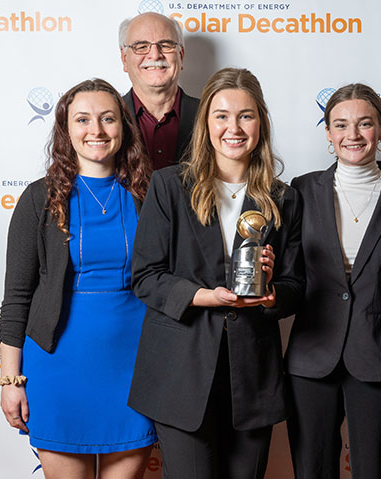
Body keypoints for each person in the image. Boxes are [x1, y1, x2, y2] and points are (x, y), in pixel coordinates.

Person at [127, 67, 304, 478]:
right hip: (181, 374)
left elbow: (297, 285)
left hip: (252, 378)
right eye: (222, 115)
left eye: (246, 115)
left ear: (261, 122)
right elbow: (146, 276)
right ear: (206, 123)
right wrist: (204, 296)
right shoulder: (169, 185)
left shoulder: (283, 198)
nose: (234, 127)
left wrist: (273, 294)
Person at [0, 78, 155, 477]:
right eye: (83, 120)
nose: (96, 131)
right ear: (66, 130)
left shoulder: (150, 194)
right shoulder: (39, 197)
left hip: (136, 367)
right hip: (58, 365)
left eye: (108, 119)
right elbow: (17, 297)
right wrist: (10, 381)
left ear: (124, 126)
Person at [285, 83, 381, 478]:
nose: (353, 135)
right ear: (329, 134)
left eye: (364, 124)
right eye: (341, 125)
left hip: (379, 353)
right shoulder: (301, 189)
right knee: (311, 470)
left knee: (375, 470)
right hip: (312, 354)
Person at [119, 12, 199, 170]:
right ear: (124, 59)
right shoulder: (107, 119)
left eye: (166, 45)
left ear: (181, 56)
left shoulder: (209, 115)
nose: (155, 55)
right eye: (141, 47)